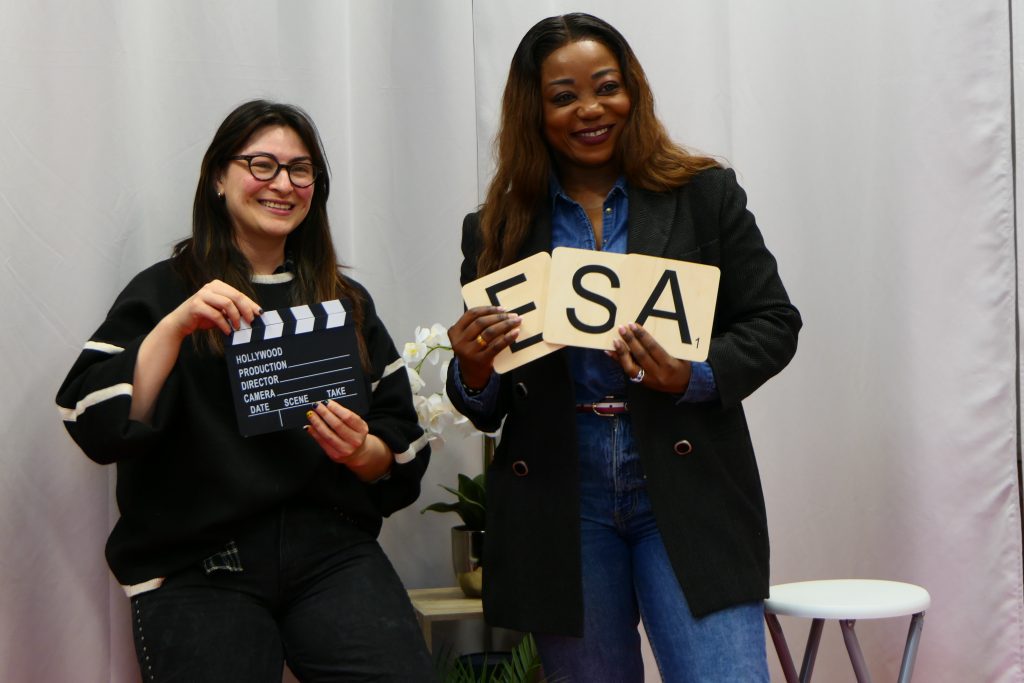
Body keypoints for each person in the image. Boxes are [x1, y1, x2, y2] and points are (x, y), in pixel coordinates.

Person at [445, 13, 801, 683]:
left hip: (686, 477)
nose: (590, 109)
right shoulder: (497, 227)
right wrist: (473, 368)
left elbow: (774, 322)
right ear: (533, 111)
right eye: (564, 96)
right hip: (560, 492)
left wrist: (691, 376)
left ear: (632, 90)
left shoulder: (704, 194)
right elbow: (489, 402)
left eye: (606, 87)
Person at [56, 100, 434, 682]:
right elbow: (92, 421)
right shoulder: (164, 292)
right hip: (197, 557)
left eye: (300, 170)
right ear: (218, 177)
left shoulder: (343, 303)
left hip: (331, 549)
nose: (282, 184)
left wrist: (363, 452)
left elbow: (397, 436)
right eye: (261, 165)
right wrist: (174, 328)